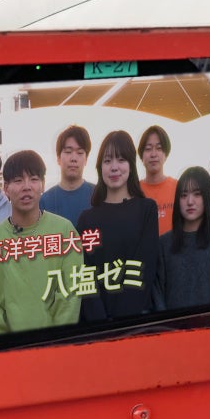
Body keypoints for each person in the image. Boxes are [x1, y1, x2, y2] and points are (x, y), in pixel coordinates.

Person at [0, 150, 84, 335]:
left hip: (55, 349)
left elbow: (69, 300)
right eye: (18, 180)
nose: (26, 186)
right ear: (6, 188)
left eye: (33, 179)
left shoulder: (65, 232)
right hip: (10, 357)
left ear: (42, 184)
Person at [76, 130, 161, 320]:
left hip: (137, 320)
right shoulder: (86, 219)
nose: (114, 167)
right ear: (100, 167)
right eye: (107, 161)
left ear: (131, 165)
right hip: (97, 325)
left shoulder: (146, 209)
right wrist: (101, 322)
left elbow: (144, 268)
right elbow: (85, 275)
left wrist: (122, 321)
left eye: (121, 160)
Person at [158, 166, 210, 309]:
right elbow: (157, 296)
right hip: (171, 329)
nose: (190, 201)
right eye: (183, 195)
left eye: (197, 194)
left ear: (207, 196)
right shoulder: (164, 244)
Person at [39, 125, 92, 221]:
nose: (73, 158)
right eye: (68, 152)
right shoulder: (45, 201)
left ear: (86, 159)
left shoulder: (98, 196)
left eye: (80, 153)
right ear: (58, 158)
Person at [137, 125, 176, 233]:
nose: (153, 154)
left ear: (165, 154)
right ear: (141, 156)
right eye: (148, 149)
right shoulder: (134, 191)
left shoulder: (178, 188)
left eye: (159, 148)